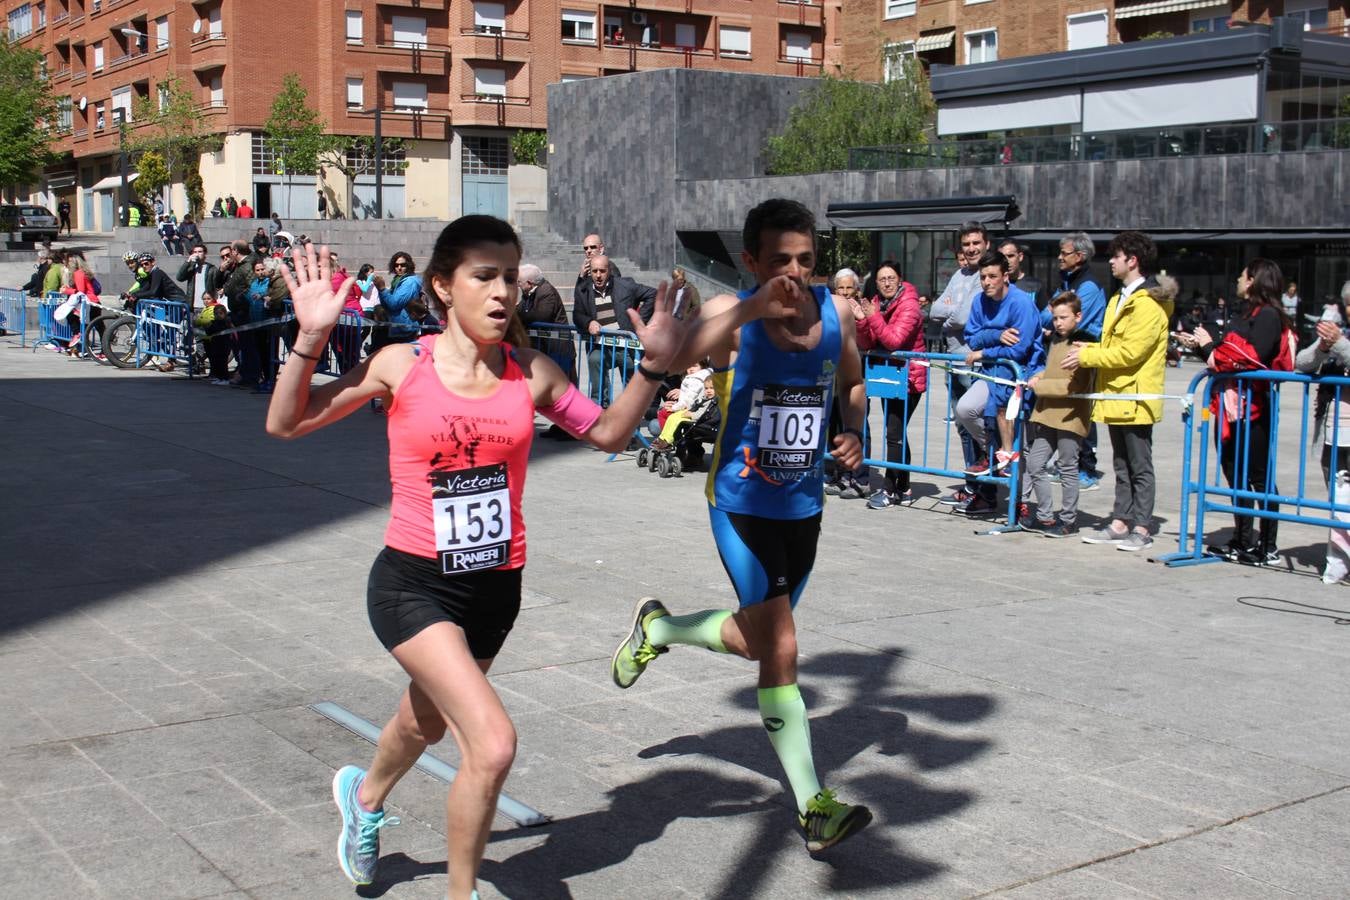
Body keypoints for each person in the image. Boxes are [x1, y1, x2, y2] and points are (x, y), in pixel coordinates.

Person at [265, 216, 795, 897]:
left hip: (495, 590)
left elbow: (607, 432)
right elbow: (286, 422)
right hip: (412, 585)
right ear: (442, 286)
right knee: (491, 744)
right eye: (483, 276)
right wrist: (309, 340)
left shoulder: (532, 374)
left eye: (510, 276)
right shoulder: (404, 365)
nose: (501, 291)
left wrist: (652, 366)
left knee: (423, 718)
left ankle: (363, 800)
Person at [609, 198, 873, 854]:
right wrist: (751, 308)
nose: (794, 271)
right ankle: (814, 806)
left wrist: (852, 433)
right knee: (782, 646)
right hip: (742, 506)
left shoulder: (837, 314)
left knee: (760, 642)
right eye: (780, 259)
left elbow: (854, 381)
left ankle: (659, 627)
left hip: (804, 509)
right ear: (751, 261)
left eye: (806, 260)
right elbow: (674, 360)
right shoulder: (734, 316)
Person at [1180, 259, 1295, 566]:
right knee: (1235, 474)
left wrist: (1210, 349)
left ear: (1255, 280)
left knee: (1259, 477)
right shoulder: (1247, 313)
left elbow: (1249, 358)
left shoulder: (1269, 315)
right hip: (1231, 407)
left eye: (1243, 276)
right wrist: (1204, 346)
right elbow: (1228, 353)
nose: (1238, 282)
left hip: (1254, 407)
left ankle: (1266, 545)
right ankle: (1241, 539)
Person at [1064, 231, 1170, 553]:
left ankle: (1141, 526)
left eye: (1116, 256)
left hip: (1136, 396)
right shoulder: (1118, 298)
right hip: (1115, 394)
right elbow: (1114, 347)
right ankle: (1121, 521)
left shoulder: (1149, 303)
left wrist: (1088, 355)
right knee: (1121, 463)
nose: (1110, 261)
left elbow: (1131, 353)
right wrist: (1093, 346)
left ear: (1132, 260)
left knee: (1140, 464)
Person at [958, 249, 1042, 483]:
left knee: (1021, 445)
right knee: (965, 409)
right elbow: (971, 338)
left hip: (1019, 376)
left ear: (1005, 276)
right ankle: (995, 451)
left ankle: (1021, 502)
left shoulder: (1021, 303)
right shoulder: (979, 301)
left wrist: (984, 351)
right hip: (990, 374)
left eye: (992, 276)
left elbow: (1018, 350)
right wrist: (995, 334)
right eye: (983, 277)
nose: (986, 282)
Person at [854, 260, 927, 509]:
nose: (886, 283)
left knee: (893, 433)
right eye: (882, 279)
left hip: (909, 378)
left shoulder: (909, 305)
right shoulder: (876, 303)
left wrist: (872, 318)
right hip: (889, 376)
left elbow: (894, 340)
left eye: (891, 278)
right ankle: (903, 485)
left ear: (899, 280)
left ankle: (889, 490)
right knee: (896, 433)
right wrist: (862, 321)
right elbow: (868, 342)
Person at [1021, 293, 1095, 537]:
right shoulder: (1054, 341)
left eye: (1063, 318)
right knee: (1035, 463)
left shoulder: (1083, 343)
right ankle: (1045, 516)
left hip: (1070, 415)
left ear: (1078, 317)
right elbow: (1053, 371)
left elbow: (1072, 386)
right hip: (1048, 413)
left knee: (1067, 467)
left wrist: (1040, 386)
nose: (1058, 323)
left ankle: (1069, 519)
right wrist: (1039, 376)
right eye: (1055, 318)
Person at [928, 222, 991, 510]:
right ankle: (971, 485)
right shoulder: (959, 274)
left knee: (975, 421)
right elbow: (935, 309)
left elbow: (965, 317)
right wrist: (953, 310)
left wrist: (951, 313)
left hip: (973, 360)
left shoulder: (986, 276)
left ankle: (987, 492)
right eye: (966, 244)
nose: (971, 248)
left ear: (986, 244)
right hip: (954, 359)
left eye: (976, 243)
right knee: (962, 428)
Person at [1295, 281, 1350, 583]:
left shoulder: (1344, 339)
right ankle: (1341, 559)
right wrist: (1323, 346)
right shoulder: (1341, 334)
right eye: (1348, 303)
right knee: (1338, 501)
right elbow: (1301, 363)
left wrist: (1339, 343)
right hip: (1333, 430)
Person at [1053, 232, 1108, 491]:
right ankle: (1069, 463)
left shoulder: (1088, 287)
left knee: (1083, 410)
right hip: (1066, 353)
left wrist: (1056, 322)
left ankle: (1087, 467)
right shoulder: (1066, 282)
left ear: (1080, 256)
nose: (1060, 257)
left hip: (1084, 354)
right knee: (1067, 410)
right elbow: (1048, 314)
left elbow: (1074, 322)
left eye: (1065, 253)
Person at [571, 254, 656, 405]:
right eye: (594, 271)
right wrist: (588, 322)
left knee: (632, 379)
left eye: (602, 271)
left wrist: (638, 321)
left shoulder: (625, 285)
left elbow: (652, 294)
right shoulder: (583, 289)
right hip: (602, 346)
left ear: (609, 270)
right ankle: (600, 407)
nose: (598, 275)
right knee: (594, 359)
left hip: (625, 345)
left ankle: (631, 412)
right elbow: (577, 314)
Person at [176, 242, 219, 309]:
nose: (197, 254)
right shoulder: (191, 268)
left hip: (207, 306)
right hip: (193, 306)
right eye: (195, 252)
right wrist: (188, 262)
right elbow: (179, 278)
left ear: (205, 253)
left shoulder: (212, 268)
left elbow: (217, 286)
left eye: (200, 252)